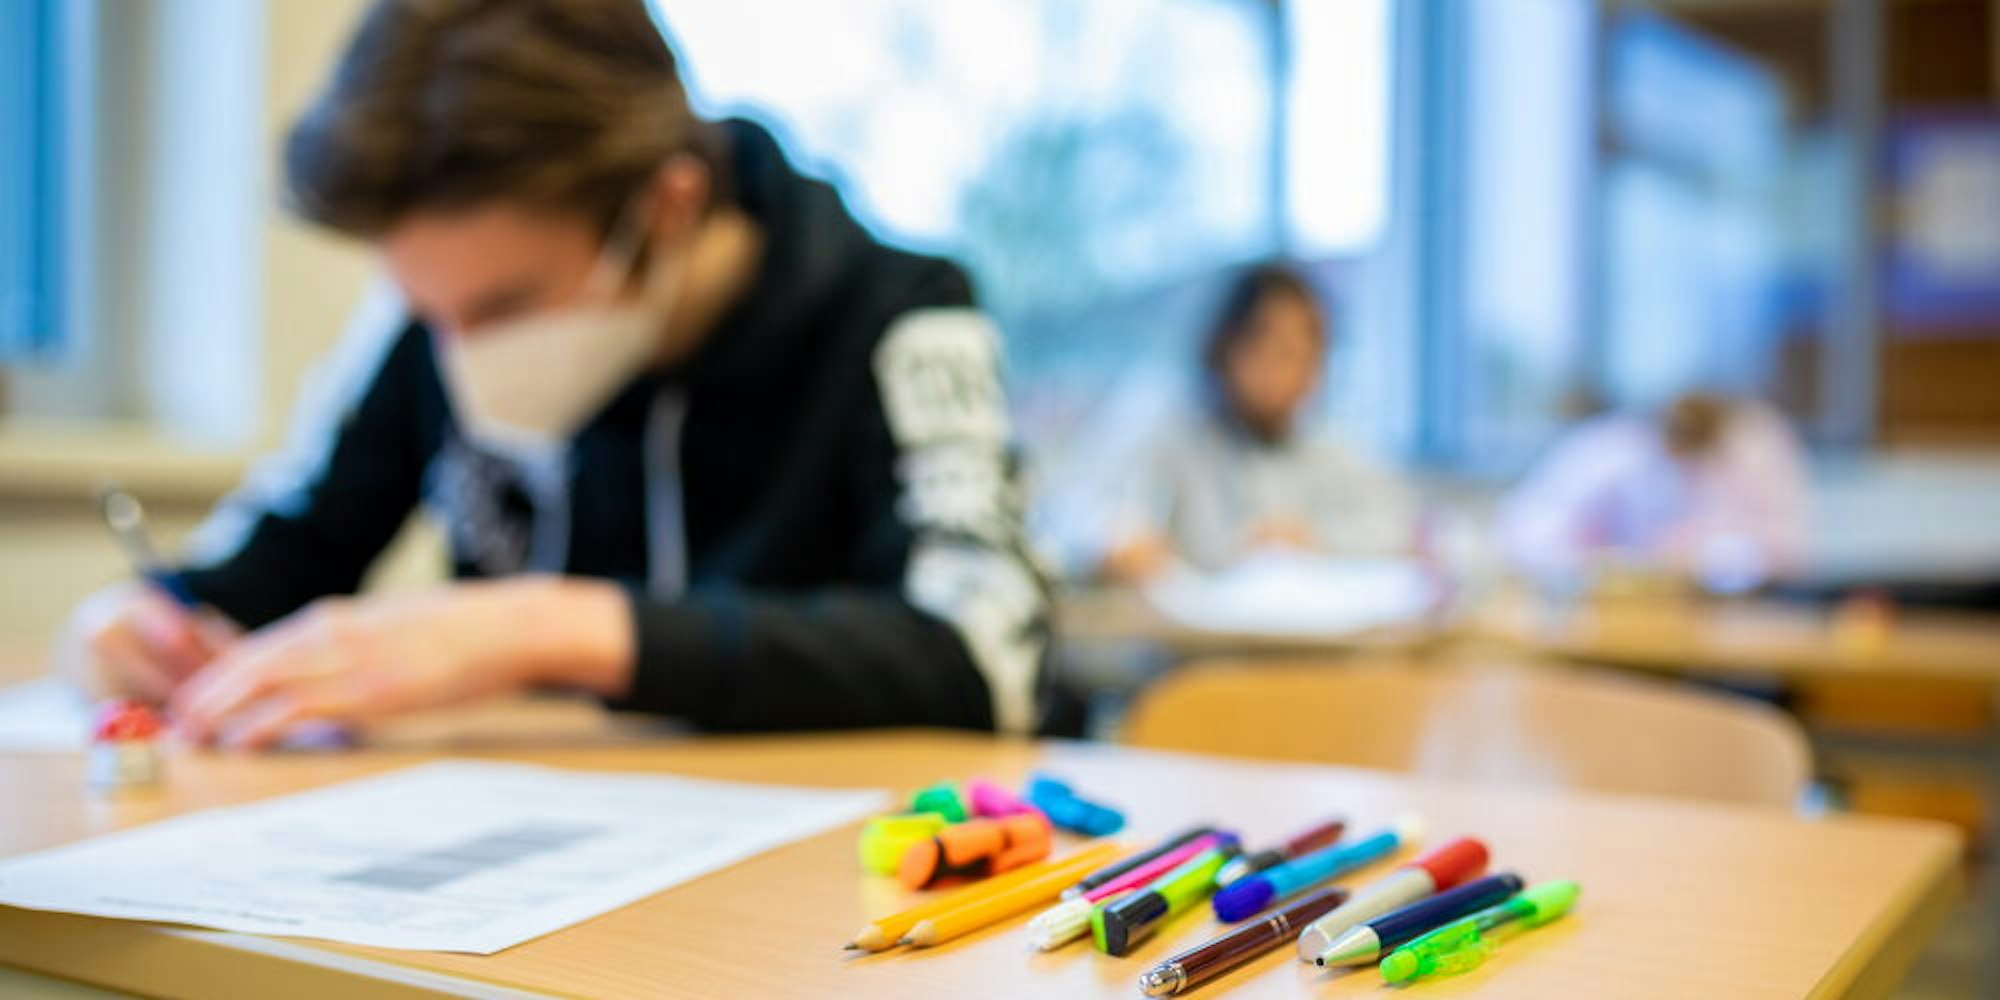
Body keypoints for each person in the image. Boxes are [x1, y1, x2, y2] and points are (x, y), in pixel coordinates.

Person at [54, 0, 1046, 748]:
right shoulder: (432, 314)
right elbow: (272, 566)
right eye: (426, 311)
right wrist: (137, 627)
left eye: (502, 309)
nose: (456, 352)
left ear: (666, 207)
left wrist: (547, 629)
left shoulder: (902, 313)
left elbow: (984, 654)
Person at [1095, 263, 1415, 584]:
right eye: (1279, 352)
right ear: (1228, 347)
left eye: (1308, 356)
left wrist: (1312, 539)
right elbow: (1109, 520)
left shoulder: (1334, 451)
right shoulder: (1168, 434)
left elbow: (1393, 532)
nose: (1293, 374)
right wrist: (1123, 543)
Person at [1496, 391, 1809, 591]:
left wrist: (1708, 558)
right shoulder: (1610, 452)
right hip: (1603, 608)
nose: (1685, 471)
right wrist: (1600, 563)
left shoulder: (1754, 447)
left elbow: (1786, 552)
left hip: (1720, 613)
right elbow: (1527, 537)